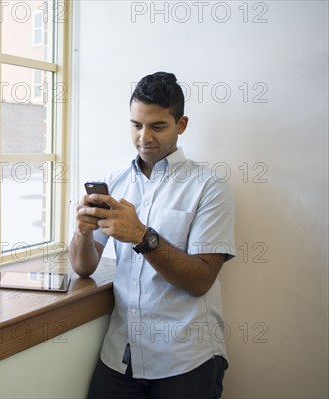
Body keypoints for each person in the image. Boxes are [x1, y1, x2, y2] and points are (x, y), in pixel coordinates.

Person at [69, 72, 236, 399]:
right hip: (120, 357)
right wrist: (83, 233)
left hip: (187, 362)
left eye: (157, 126)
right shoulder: (115, 182)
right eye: (136, 125)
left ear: (181, 124)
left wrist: (142, 236)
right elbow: (83, 267)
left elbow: (201, 279)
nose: (144, 136)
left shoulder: (210, 187)